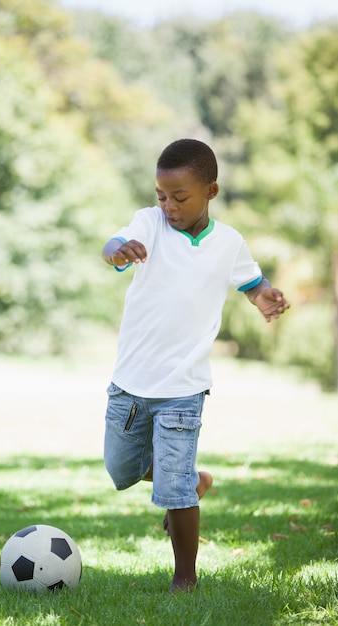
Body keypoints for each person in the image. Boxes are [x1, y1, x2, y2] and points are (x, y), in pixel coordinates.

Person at [101, 138, 289, 593]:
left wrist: (263, 295)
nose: (169, 206)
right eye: (162, 195)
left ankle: (185, 575)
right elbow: (114, 243)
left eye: (180, 197)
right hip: (130, 383)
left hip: (184, 386)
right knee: (121, 470)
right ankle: (194, 477)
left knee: (173, 490)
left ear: (211, 191)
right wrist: (120, 251)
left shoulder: (228, 242)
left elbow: (251, 279)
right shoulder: (149, 224)